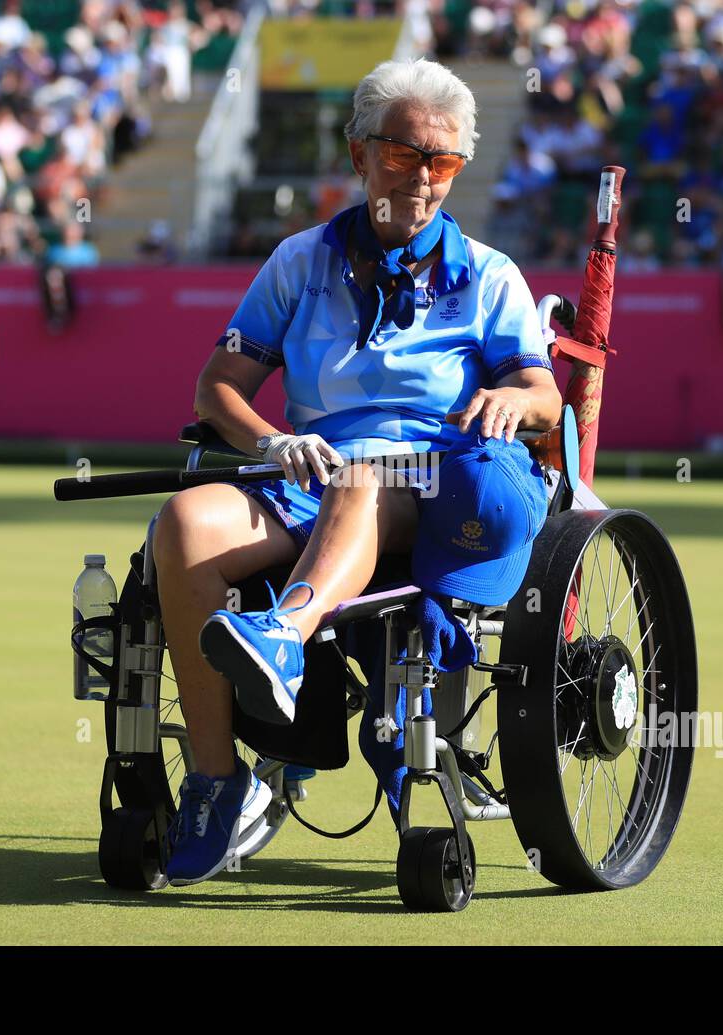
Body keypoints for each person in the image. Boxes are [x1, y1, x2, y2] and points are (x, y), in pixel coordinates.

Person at [151, 57, 561, 885]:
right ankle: (216, 778)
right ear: (359, 155)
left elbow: (544, 390)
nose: (423, 178)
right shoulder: (298, 262)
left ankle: (282, 638)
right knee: (182, 523)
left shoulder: (488, 276)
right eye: (405, 154)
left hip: (427, 482)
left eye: (442, 162)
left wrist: (516, 403)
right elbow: (218, 388)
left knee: (362, 477)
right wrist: (272, 442)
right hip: (305, 475)